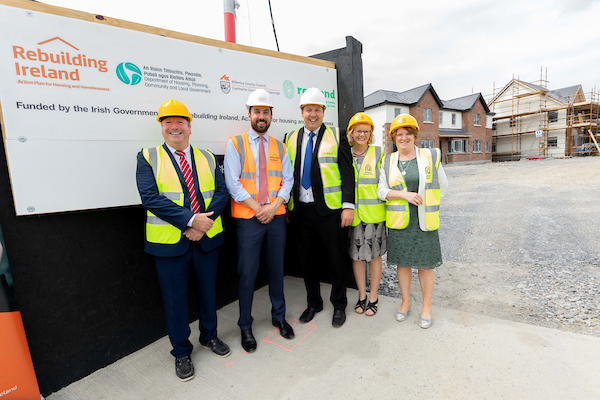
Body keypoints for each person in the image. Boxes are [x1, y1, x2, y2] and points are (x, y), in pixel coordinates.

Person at [136, 99, 230, 382]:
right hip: (169, 244)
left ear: (190, 126)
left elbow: (222, 192)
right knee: (175, 300)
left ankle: (209, 337)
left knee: (208, 293)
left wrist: (202, 226)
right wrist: (191, 221)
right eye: (168, 123)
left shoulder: (208, 156)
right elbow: (150, 198)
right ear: (162, 127)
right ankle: (181, 352)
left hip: (206, 239)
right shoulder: (147, 156)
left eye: (180, 122)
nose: (174, 127)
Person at [224, 89, 295, 353]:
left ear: (271, 115)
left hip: (275, 215)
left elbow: (287, 180)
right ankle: (245, 325)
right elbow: (232, 183)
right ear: (249, 113)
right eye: (257, 111)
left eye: (266, 112)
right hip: (249, 218)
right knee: (247, 273)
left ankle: (279, 317)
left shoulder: (280, 146)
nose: (262, 116)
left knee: (277, 269)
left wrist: (274, 205)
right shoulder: (236, 143)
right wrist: (258, 208)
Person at [284, 87, 355, 327]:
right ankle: (314, 302)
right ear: (301, 112)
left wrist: (348, 206)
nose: (312, 114)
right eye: (308, 110)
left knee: (336, 259)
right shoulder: (290, 137)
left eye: (317, 109)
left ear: (324, 112)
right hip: (300, 211)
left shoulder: (338, 135)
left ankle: (339, 304)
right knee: (307, 261)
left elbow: (347, 173)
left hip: (329, 212)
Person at [377, 114, 448, 329]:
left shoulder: (430, 156)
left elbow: (442, 185)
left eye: (408, 134)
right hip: (400, 222)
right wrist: (404, 196)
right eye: (399, 134)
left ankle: (426, 306)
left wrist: (427, 205)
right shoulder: (388, 160)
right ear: (394, 138)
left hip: (423, 221)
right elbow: (381, 191)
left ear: (415, 135)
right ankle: (406, 301)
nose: (404, 138)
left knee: (426, 265)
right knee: (404, 263)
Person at [346, 112, 387, 317]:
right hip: (353, 216)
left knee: (374, 257)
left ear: (371, 133)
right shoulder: (345, 153)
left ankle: (374, 296)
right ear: (351, 133)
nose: (361, 134)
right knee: (357, 257)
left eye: (365, 130)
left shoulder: (380, 153)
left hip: (375, 216)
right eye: (357, 131)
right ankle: (362, 295)